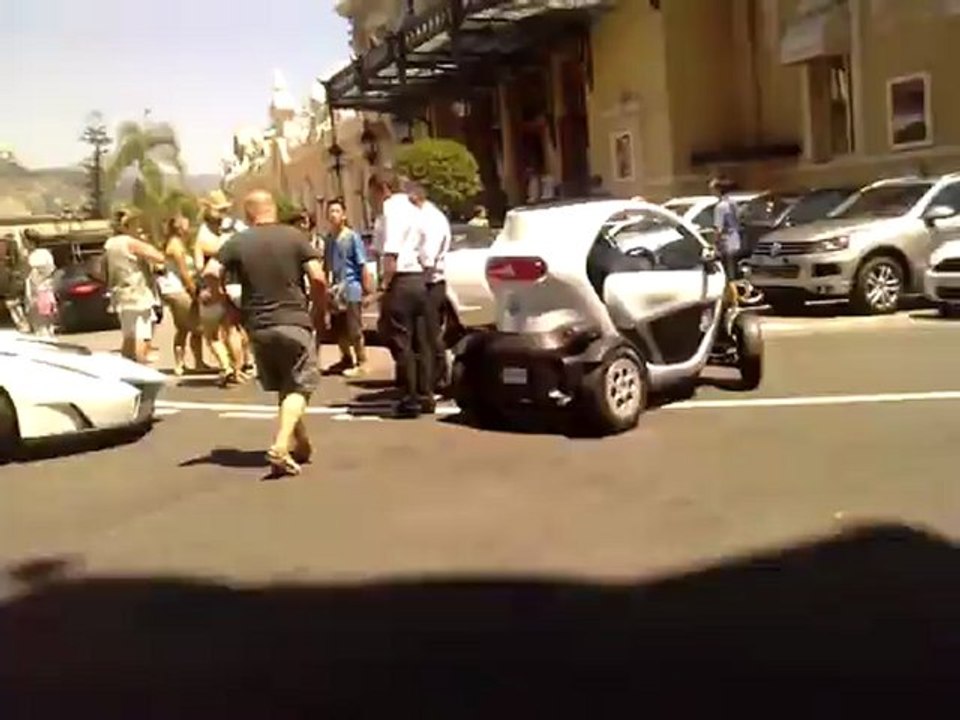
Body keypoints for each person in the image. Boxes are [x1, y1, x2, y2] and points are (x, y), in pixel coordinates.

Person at [203, 190, 327, 477]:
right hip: (293, 320)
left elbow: (210, 272)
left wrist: (226, 304)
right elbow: (318, 277)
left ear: (248, 214)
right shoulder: (294, 237)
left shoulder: (237, 242)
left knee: (286, 383)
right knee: (300, 387)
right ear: (274, 209)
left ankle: (301, 443)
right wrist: (319, 310)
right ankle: (281, 446)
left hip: (258, 325)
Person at [370, 169, 433, 418]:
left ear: (383, 189)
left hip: (401, 279)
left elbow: (391, 251)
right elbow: (426, 247)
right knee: (420, 341)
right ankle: (425, 394)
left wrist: (384, 285)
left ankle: (410, 398)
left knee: (400, 340)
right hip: (418, 278)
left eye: (373, 193)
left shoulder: (392, 208)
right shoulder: (414, 208)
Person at [195, 191, 248, 385]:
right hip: (233, 284)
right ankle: (238, 369)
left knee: (212, 335)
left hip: (210, 289)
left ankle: (226, 367)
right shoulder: (233, 234)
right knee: (233, 329)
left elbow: (199, 267)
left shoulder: (202, 236)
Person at [103, 211, 165, 363]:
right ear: (126, 226)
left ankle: (127, 367)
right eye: (135, 224)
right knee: (141, 334)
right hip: (138, 293)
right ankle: (141, 365)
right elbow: (159, 257)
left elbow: (103, 268)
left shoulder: (109, 244)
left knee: (129, 336)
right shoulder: (131, 243)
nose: (138, 228)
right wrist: (145, 242)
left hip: (120, 293)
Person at [408, 183, 452, 393]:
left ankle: (439, 378)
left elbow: (428, 257)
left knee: (429, 333)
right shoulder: (427, 217)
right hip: (427, 282)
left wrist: (411, 261)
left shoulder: (431, 219)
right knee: (425, 333)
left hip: (431, 282)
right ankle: (430, 377)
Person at [323, 197, 371, 377]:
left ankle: (362, 361)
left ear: (344, 215)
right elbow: (326, 265)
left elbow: (362, 264)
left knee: (354, 328)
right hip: (336, 290)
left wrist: (367, 290)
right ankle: (346, 358)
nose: (333, 215)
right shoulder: (329, 239)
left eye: (337, 211)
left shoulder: (352, 237)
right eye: (331, 212)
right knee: (339, 328)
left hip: (352, 288)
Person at [158, 215, 210, 376]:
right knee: (185, 327)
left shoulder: (181, 244)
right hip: (178, 290)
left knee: (196, 327)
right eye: (187, 225)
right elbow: (183, 273)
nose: (190, 228)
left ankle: (199, 361)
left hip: (181, 289)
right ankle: (180, 363)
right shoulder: (176, 246)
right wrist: (193, 291)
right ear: (179, 227)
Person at [0, 233, 30, 333]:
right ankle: (22, 324)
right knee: (13, 305)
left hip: (13, 287)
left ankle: (23, 324)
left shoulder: (15, 262)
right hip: (11, 287)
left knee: (14, 305)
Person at [25, 246, 57, 337]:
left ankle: (44, 330)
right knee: (46, 314)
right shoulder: (43, 277)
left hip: (41, 297)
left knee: (43, 315)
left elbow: (30, 291)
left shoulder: (33, 275)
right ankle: (46, 330)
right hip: (42, 297)